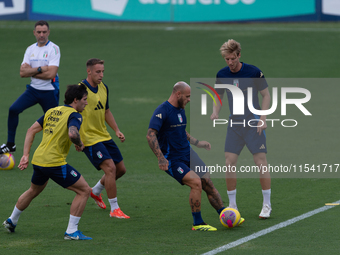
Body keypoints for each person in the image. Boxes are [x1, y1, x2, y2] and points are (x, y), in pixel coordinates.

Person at [2, 84, 92, 240]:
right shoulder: (75, 115)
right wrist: (79, 143)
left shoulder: (52, 111)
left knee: (33, 191)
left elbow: (31, 130)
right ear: (76, 100)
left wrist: (25, 155)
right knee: (84, 190)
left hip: (39, 160)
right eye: (84, 100)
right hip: (54, 162)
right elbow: (72, 134)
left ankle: (11, 220)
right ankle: (71, 231)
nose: (86, 103)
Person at [146, 81, 230, 231]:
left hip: (188, 153)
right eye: (187, 96)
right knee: (196, 182)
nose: (189, 99)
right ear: (178, 94)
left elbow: (181, 131)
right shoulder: (162, 111)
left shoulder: (180, 109)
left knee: (206, 180)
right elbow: (150, 134)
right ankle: (198, 224)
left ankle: (225, 214)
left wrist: (198, 143)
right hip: (172, 159)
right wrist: (160, 158)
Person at [210, 39, 272, 219]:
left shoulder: (254, 72)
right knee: (229, 163)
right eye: (226, 59)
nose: (229, 63)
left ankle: (267, 204)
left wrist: (263, 118)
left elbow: (266, 95)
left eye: (232, 59)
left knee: (260, 162)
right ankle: (232, 205)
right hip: (234, 124)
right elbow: (218, 97)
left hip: (253, 123)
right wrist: (215, 112)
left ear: (239, 55)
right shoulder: (222, 74)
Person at [78, 58, 129, 219]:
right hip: (88, 139)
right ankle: (115, 209)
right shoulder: (80, 90)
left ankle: (96, 191)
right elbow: (72, 113)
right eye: (98, 72)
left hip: (103, 135)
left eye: (102, 72)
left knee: (121, 169)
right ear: (89, 71)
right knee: (110, 169)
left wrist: (117, 130)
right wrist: (76, 138)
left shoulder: (104, 88)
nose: (101, 75)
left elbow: (106, 111)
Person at [1, 20, 60, 154]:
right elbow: (22, 73)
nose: (41, 35)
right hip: (33, 90)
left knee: (53, 122)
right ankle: (10, 144)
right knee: (13, 109)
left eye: (44, 32)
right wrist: (41, 68)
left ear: (48, 32)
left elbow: (51, 74)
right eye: (38, 32)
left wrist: (32, 72)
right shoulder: (30, 49)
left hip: (49, 91)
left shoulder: (54, 49)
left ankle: (53, 149)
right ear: (34, 33)